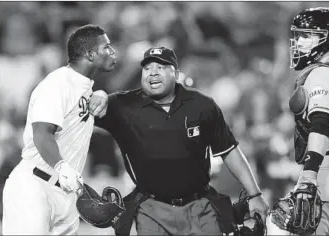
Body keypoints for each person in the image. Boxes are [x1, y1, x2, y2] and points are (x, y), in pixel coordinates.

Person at [89, 46, 269, 235]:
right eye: (148, 68)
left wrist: (255, 194)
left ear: (175, 72)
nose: (153, 73)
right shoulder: (123, 105)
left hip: (199, 206)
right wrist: (99, 94)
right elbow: (79, 112)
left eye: (161, 67)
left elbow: (229, 150)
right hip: (151, 208)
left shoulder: (202, 105)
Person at [2, 24, 116, 235]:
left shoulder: (85, 87)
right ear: (90, 54)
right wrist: (62, 166)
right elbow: (42, 133)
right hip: (35, 186)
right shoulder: (57, 84)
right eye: (106, 47)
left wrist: (102, 94)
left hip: (66, 193)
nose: (112, 51)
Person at [274, 7, 329, 235]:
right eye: (298, 35)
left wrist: (309, 174)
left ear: (328, 38)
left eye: (307, 35)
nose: (299, 41)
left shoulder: (322, 74)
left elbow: (321, 125)